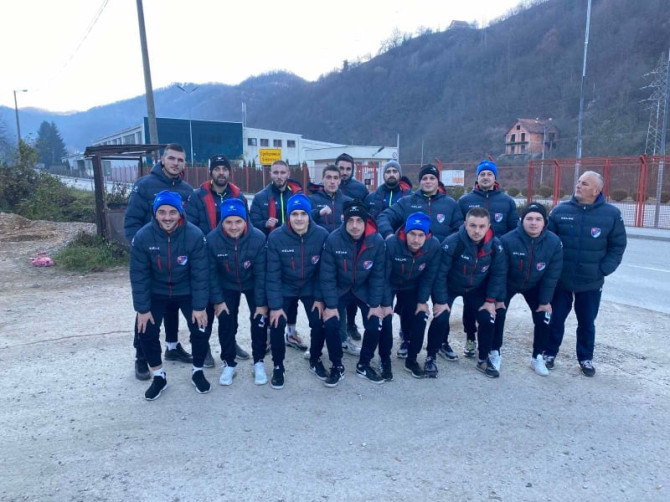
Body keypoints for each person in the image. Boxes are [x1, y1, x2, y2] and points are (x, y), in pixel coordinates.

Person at [544, 171, 627, 376]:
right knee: (555, 320)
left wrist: (603, 270)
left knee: (587, 323)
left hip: (591, 281)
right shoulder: (560, 210)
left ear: (596, 190)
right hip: (561, 280)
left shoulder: (611, 215)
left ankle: (585, 358)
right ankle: (549, 354)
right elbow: (547, 242)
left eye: (585, 184)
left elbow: (617, 246)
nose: (578, 186)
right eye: (579, 182)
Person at [124, 144, 195, 381]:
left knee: (173, 304)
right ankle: (141, 357)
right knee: (147, 309)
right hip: (152, 260)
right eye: (172, 158)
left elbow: (191, 225)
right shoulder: (145, 185)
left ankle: (172, 347)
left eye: (180, 160)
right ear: (162, 160)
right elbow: (131, 222)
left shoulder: (186, 190)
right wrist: (142, 250)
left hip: (178, 262)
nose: (176, 163)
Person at [130, 191, 210, 400]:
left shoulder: (194, 235)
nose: (167, 217)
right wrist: (142, 310)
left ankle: (198, 371)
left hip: (186, 289)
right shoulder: (143, 236)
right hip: (157, 290)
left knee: (201, 327)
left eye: (172, 212)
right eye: (162, 212)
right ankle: (159, 376)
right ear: (155, 213)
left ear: (180, 213)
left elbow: (201, 274)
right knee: (145, 330)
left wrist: (200, 306)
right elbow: (139, 275)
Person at [186, 154, 250, 363]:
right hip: (205, 257)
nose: (221, 173)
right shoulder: (198, 196)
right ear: (211, 172)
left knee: (231, 307)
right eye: (217, 169)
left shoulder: (238, 196)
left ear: (229, 172)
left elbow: (245, 226)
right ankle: (203, 348)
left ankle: (230, 343)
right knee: (205, 306)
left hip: (231, 260)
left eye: (224, 169)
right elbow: (191, 227)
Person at [429, 207, 506, 378]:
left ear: (488, 226)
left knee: (487, 317)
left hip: (475, 287)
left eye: (481, 226)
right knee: (441, 317)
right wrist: (441, 301)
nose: (477, 231)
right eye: (472, 225)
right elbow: (439, 274)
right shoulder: (452, 242)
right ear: (465, 224)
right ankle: (431, 356)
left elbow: (498, 274)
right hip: (450, 286)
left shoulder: (495, 246)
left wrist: (490, 300)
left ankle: (483, 359)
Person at [320, 200, 387, 386]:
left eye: (359, 221)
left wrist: (375, 305)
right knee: (330, 323)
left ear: (366, 222)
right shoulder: (333, 239)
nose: (355, 225)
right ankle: (336, 365)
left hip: (362, 289)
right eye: (351, 221)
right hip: (340, 288)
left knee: (375, 323)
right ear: (344, 220)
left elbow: (378, 276)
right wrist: (331, 306)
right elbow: (327, 276)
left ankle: (364, 364)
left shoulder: (376, 241)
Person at [266, 194, 329, 389]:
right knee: (277, 322)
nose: (299, 218)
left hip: (310, 286)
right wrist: (276, 306)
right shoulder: (276, 237)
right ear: (288, 216)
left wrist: (319, 298)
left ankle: (315, 359)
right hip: (285, 286)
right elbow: (272, 275)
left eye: (303, 213)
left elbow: (323, 272)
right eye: (294, 214)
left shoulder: (321, 235)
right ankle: (278, 365)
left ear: (309, 216)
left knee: (319, 321)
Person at [458, 160, 520, 358]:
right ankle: (470, 337)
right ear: (477, 177)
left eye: (489, 174)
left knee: (496, 302)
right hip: (471, 261)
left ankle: (493, 345)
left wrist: (501, 249)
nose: (486, 177)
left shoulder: (507, 201)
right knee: (470, 304)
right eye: (482, 174)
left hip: (496, 260)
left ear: (495, 178)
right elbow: (458, 228)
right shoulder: (465, 200)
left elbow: (514, 230)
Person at [495, 203, 563, 376]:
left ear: (544, 222)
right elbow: (500, 272)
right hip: (509, 283)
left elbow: (552, 275)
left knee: (544, 316)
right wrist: (499, 298)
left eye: (538, 219)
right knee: (497, 312)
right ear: (522, 220)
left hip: (535, 284)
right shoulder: (507, 240)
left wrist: (545, 301)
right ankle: (494, 351)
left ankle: (537, 356)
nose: (533, 223)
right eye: (529, 218)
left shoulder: (554, 242)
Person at [206, 198, 268, 386]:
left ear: (245, 221)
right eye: (228, 222)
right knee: (226, 319)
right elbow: (211, 274)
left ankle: (258, 361)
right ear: (222, 222)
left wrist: (261, 304)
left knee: (259, 319)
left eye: (238, 221)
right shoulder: (212, 239)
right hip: (227, 283)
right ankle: (229, 362)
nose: (234, 227)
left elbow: (261, 274)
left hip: (251, 282)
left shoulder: (258, 238)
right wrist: (218, 301)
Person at [249, 160, 306, 352]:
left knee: (293, 294)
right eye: (276, 172)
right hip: (269, 251)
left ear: (288, 173)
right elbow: (250, 223)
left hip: (293, 252)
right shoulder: (261, 197)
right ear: (270, 174)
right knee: (269, 293)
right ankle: (268, 334)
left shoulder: (296, 195)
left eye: (282, 172)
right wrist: (264, 223)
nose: (279, 176)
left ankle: (291, 333)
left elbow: (307, 218)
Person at [380, 212, 441, 380]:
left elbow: (429, 276)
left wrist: (422, 301)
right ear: (405, 232)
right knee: (384, 316)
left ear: (427, 235)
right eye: (412, 234)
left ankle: (412, 359)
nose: (416, 240)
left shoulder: (434, 246)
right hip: (391, 282)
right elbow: (383, 276)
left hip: (412, 284)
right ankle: (384, 359)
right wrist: (385, 304)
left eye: (421, 235)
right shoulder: (391, 244)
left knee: (420, 315)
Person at [365, 159, 413, 352]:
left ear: (400, 174)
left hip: (406, 252)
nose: (391, 174)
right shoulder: (373, 197)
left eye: (394, 171)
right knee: (384, 297)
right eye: (388, 171)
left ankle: (406, 335)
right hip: (380, 250)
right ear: (383, 175)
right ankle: (383, 342)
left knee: (407, 300)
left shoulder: (410, 197)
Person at [377, 163, 463, 242]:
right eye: (424, 178)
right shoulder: (406, 202)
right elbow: (383, 217)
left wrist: (449, 245)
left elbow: (459, 230)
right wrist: (389, 235)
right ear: (420, 182)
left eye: (432, 178)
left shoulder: (451, 204)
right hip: (412, 252)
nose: (428, 181)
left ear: (438, 181)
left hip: (441, 252)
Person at [308, 164, 352, 233]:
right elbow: (304, 220)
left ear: (339, 181)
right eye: (329, 177)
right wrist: (318, 213)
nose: (332, 182)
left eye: (335, 178)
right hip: (321, 239)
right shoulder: (311, 200)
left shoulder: (348, 201)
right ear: (322, 179)